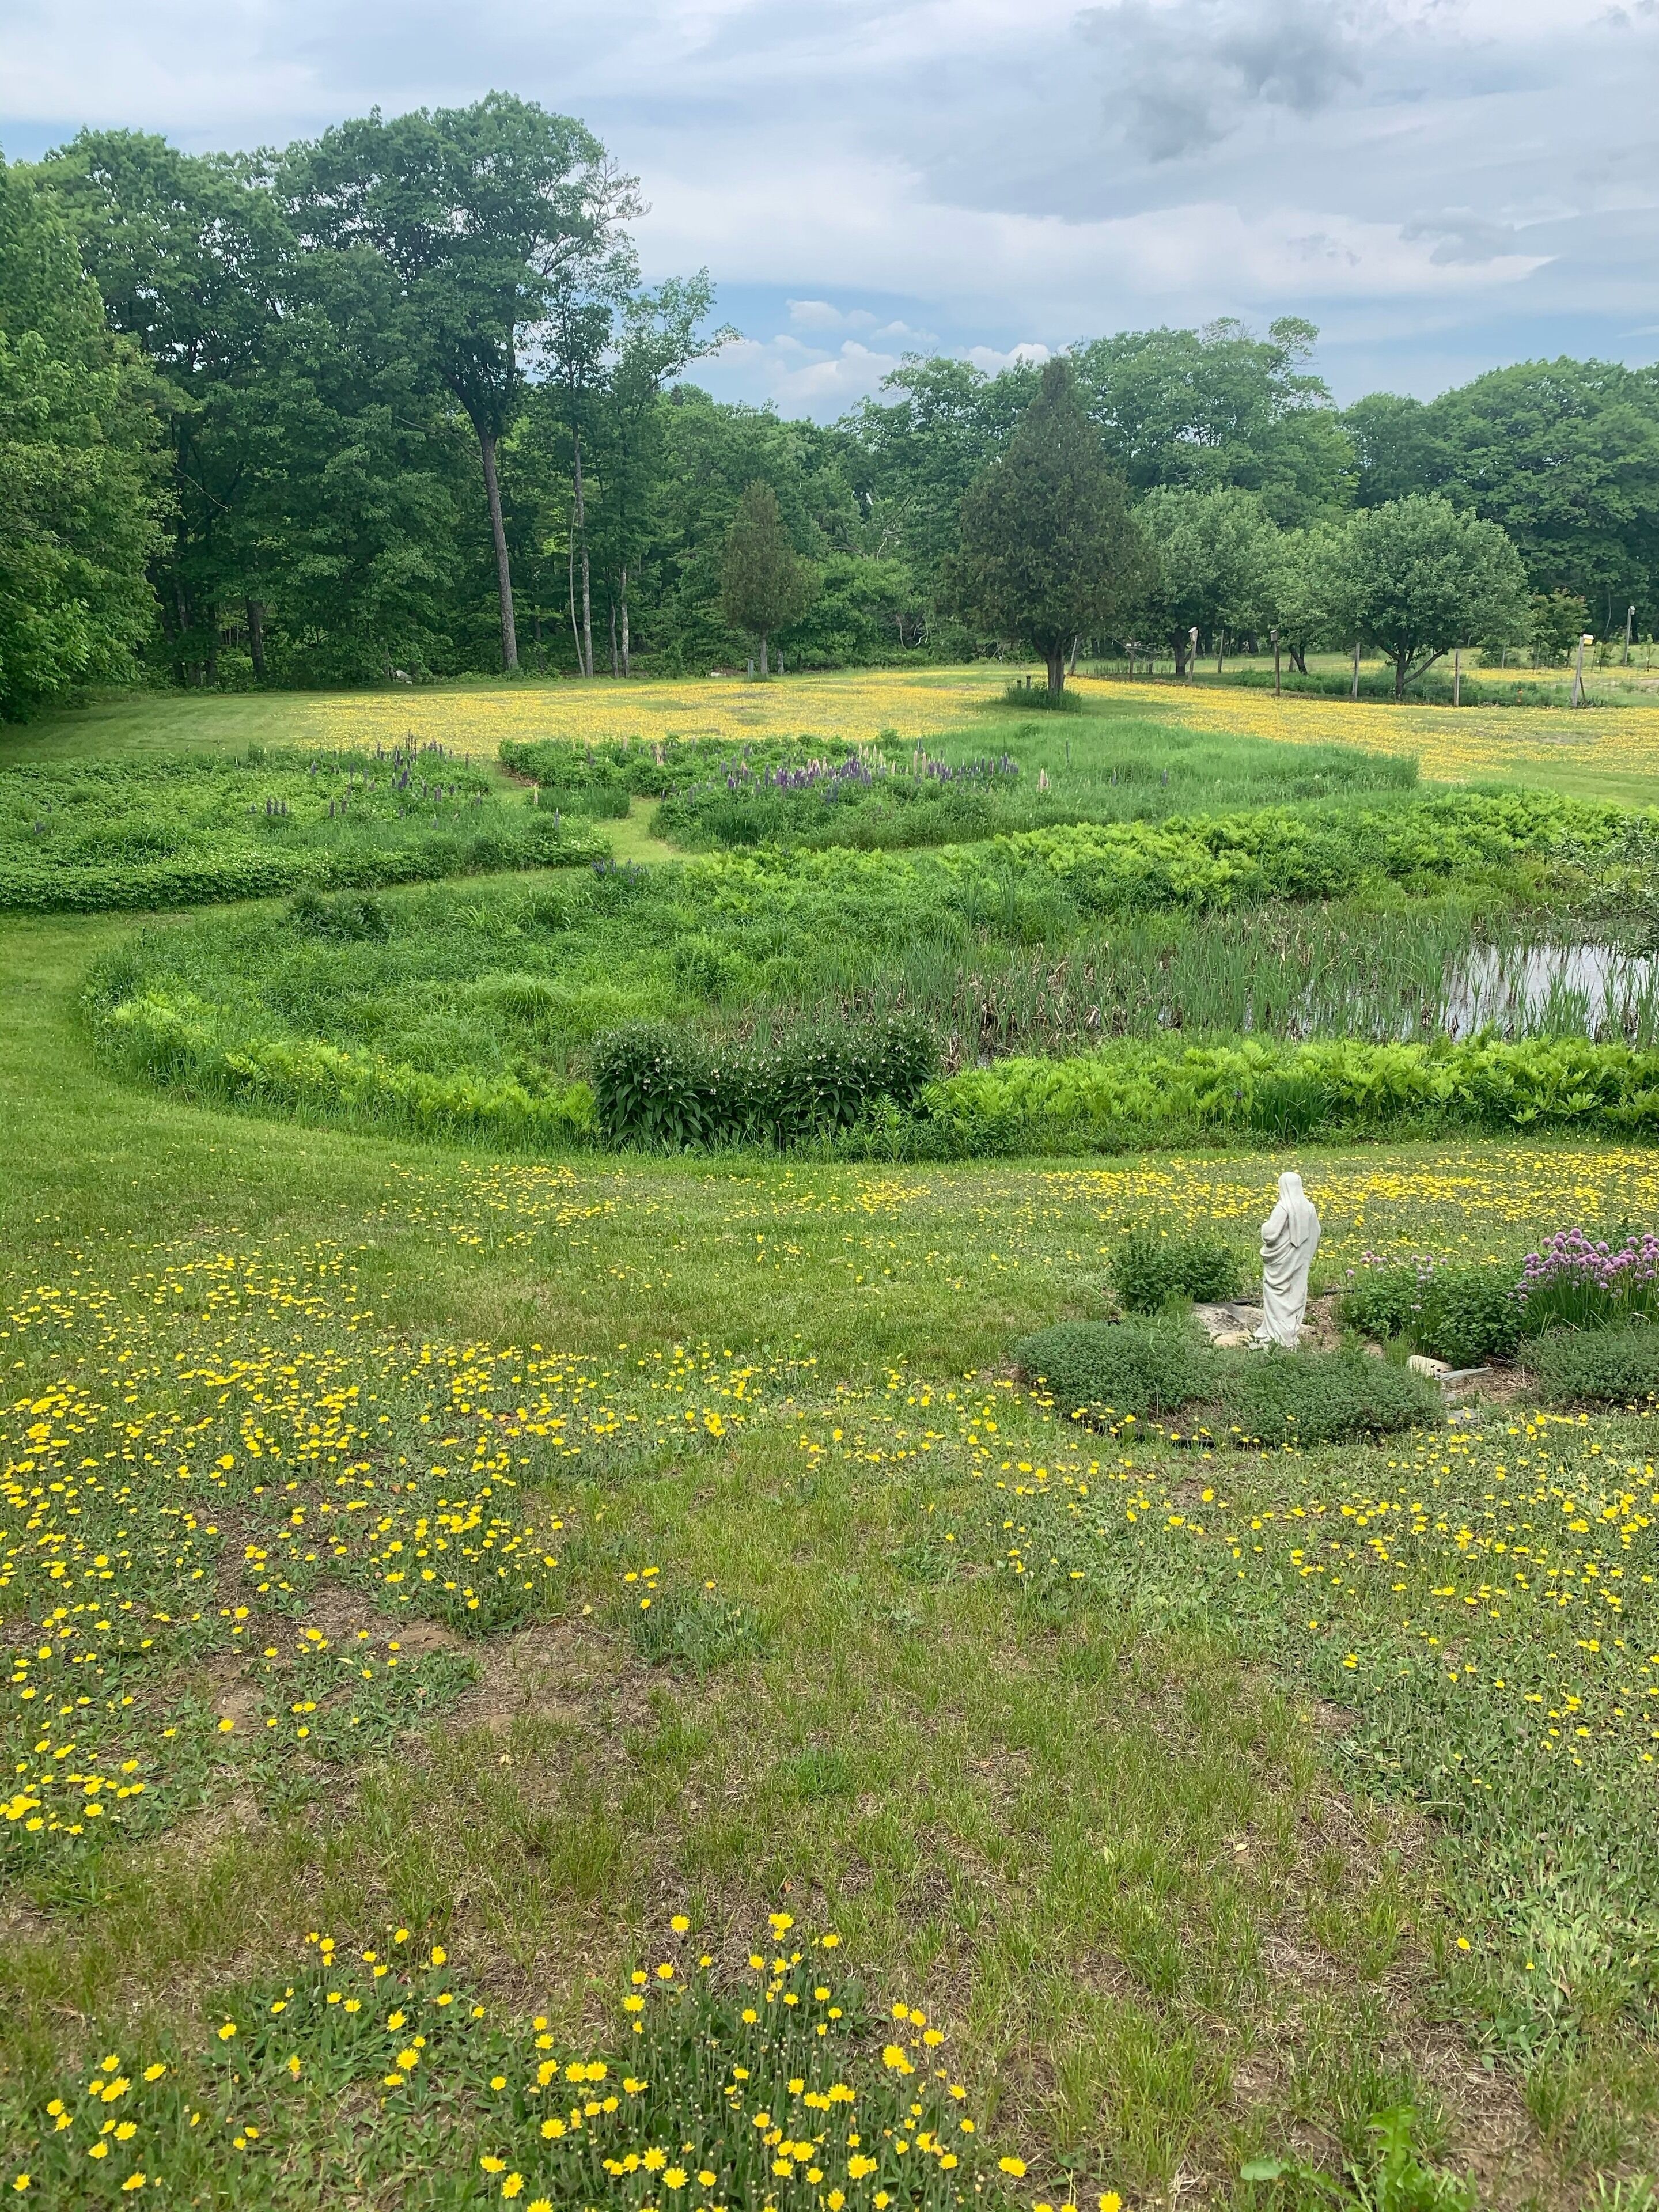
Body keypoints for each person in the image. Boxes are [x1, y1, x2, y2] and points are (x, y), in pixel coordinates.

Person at [1255, 1171, 1320, 1349]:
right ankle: (1288, 1334)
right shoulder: (1310, 1208)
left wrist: (1263, 1227)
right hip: (1300, 1262)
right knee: (1295, 1295)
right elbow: (1316, 1233)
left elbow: (1270, 1234)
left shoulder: (1284, 1207)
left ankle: (1276, 1335)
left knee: (1276, 1293)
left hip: (1281, 1264)